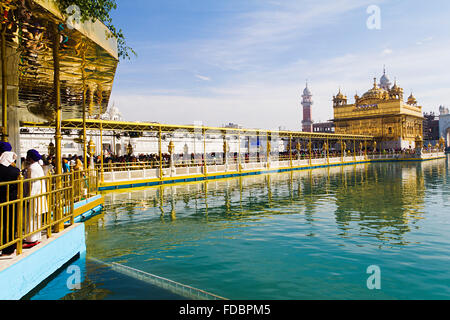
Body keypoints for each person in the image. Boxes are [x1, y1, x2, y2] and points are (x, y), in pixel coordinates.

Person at [23, 149, 47, 247]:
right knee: (36, 217)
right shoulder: (38, 167)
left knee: (31, 217)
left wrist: (28, 197)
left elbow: (33, 184)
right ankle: (36, 237)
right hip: (39, 195)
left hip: (34, 196)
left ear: (30, 158)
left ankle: (30, 240)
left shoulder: (32, 168)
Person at [0, 142, 20, 256]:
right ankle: (9, 247)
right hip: (12, 201)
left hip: (2, 200)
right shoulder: (15, 171)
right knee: (11, 223)